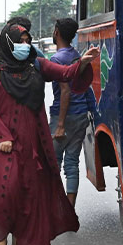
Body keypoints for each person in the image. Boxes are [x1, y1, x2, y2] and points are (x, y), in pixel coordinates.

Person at [0, 24, 99, 245]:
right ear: (8, 42)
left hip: (32, 141)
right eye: (20, 41)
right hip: (3, 142)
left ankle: (20, 243)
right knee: (5, 190)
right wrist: (3, 136)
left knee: (28, 192)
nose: (25, 45)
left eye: (28, 40)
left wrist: (83, 62)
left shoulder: (36, 65)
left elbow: (65, 74)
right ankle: (0, 239)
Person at [49, 19, 93, 207]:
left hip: (63, 116)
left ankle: (55, 209)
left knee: (53, 163)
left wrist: (59, 125)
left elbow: (65, 91)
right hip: (80, 114)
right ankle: (69, 208)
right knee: (72, 163)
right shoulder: (77, 55)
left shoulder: (57, 59)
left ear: (56, 32)